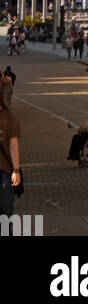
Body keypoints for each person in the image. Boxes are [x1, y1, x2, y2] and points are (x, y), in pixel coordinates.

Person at [0, 79, 22, 215]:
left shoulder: (9, 117)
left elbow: (13, 144)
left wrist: (16, 170)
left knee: (5, 207)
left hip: (4, 170)